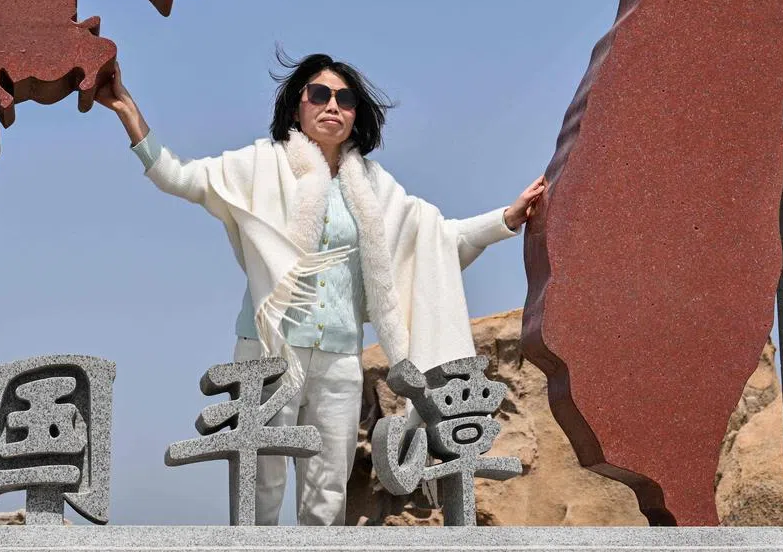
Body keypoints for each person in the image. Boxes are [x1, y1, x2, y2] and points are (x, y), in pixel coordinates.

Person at [94, 51, 544, 526]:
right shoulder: (261, 166)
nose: (333, 105)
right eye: (319, 94)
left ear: (356, 115)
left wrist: (506, 220)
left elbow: (436, 238)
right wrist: (126, 107)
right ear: (297, 107)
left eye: (345, 98)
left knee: (329, 485)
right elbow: (177, 176)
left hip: (339, 356)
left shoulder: (374, 187)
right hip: (270, 350)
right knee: (261, 480)